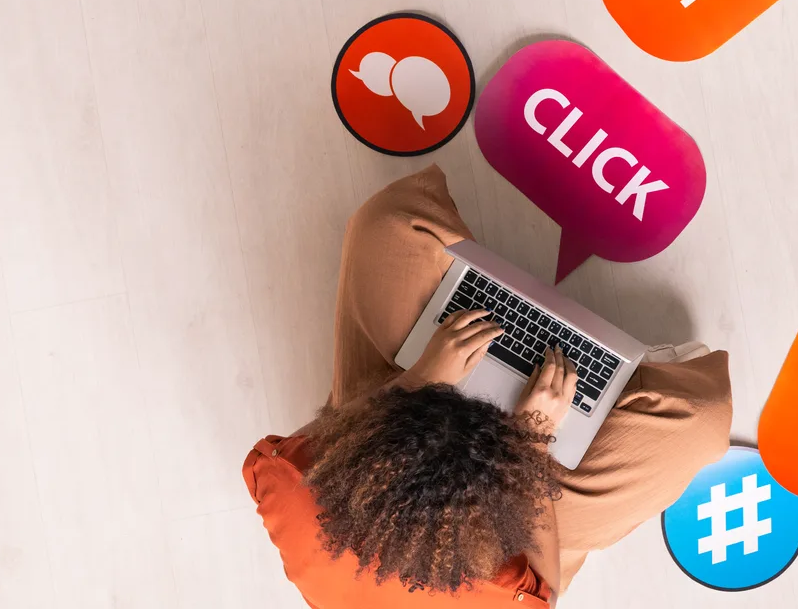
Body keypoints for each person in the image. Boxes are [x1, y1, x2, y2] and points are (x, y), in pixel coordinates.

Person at [243, 166, 731, 605]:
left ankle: (420, 398)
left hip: (387, 427)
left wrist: (421, 377)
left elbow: (318, 439)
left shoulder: (292, 488)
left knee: (388, 224)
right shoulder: (495, 595)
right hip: (521, 507)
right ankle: (636, 383)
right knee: (698, 422)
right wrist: (532, 438)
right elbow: (547, 585)